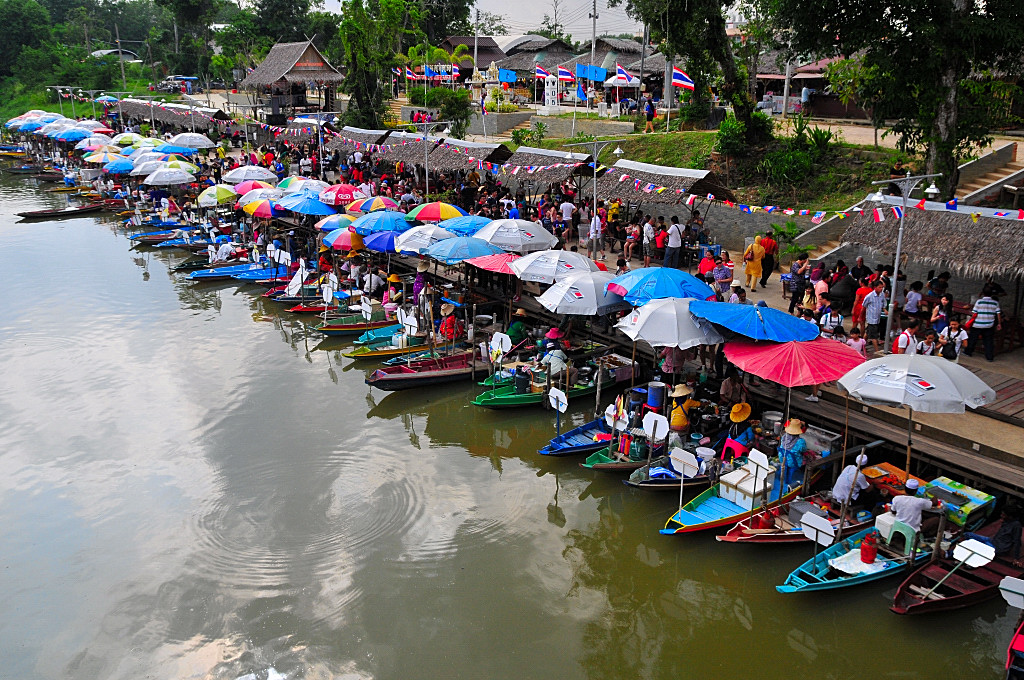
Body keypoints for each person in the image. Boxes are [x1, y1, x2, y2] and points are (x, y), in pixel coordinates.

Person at [964, 285, 1002, 362]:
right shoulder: (995, 303)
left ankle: (968, 352)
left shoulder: (979, 301)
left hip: (977, 324)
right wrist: (999, 324)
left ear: (983, 293)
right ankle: (989, 357)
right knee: (988, 341)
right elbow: (998, 314)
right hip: (989, 325)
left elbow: (974, 313)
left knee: (972, 339)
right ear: (992, 294)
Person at [778, 418, 808, 488]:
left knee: (786, 462)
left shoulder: (784, 436)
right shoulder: (801, 441)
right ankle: (789, 481)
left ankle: (781, 477)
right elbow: (803, 450)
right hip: (793, 462)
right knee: (805, 458)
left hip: (782, 459)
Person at [862, 280, 888, 353]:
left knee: (868, 332)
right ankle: (877, 350)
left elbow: (883, 303)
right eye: (879, 287)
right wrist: (861, 316)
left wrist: (884, 309)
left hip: (877, 317)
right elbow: (864, 306)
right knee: (874, 335)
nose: (881, 289)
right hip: (871, 318)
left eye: (882, 287)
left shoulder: (882, 294)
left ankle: (861, 345)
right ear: (875, 287)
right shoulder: (869, 296)